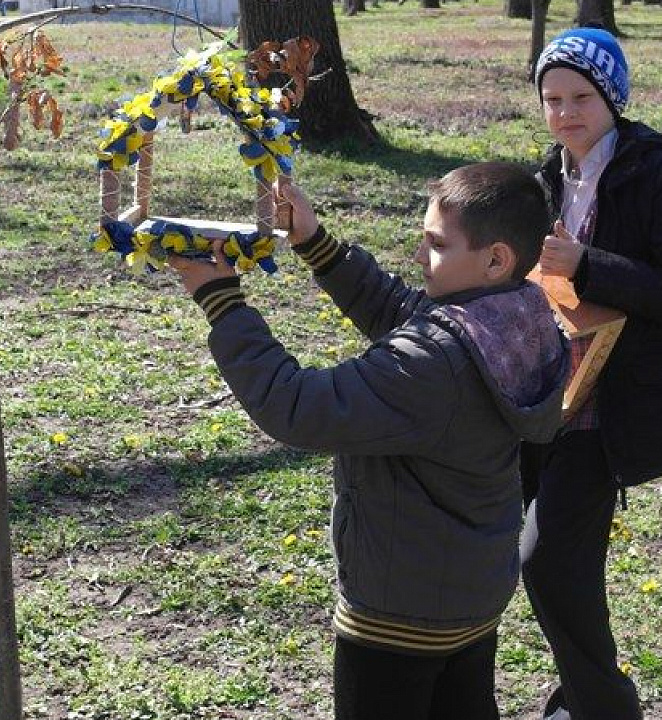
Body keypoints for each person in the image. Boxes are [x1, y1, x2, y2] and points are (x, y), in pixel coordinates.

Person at [167, 162, 570, 720]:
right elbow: (405, 313)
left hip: (398, 615)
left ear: (495, 258)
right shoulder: (516, 319)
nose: (420, 254)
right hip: (470, 592)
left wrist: (222, 303)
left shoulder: (436, 363)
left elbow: (298, 406)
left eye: (436, 244)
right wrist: (315, 242)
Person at [522, 27, 662, 720]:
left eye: (581, 97)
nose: (565, 113)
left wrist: (583, 262)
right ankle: (578, 701)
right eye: (552, 99)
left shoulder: (657, 173)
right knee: (524, 555)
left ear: (614, 97)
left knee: (546, 560)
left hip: (610, 406)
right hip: (541, 392)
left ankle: (604, 707)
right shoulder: (547, 174)